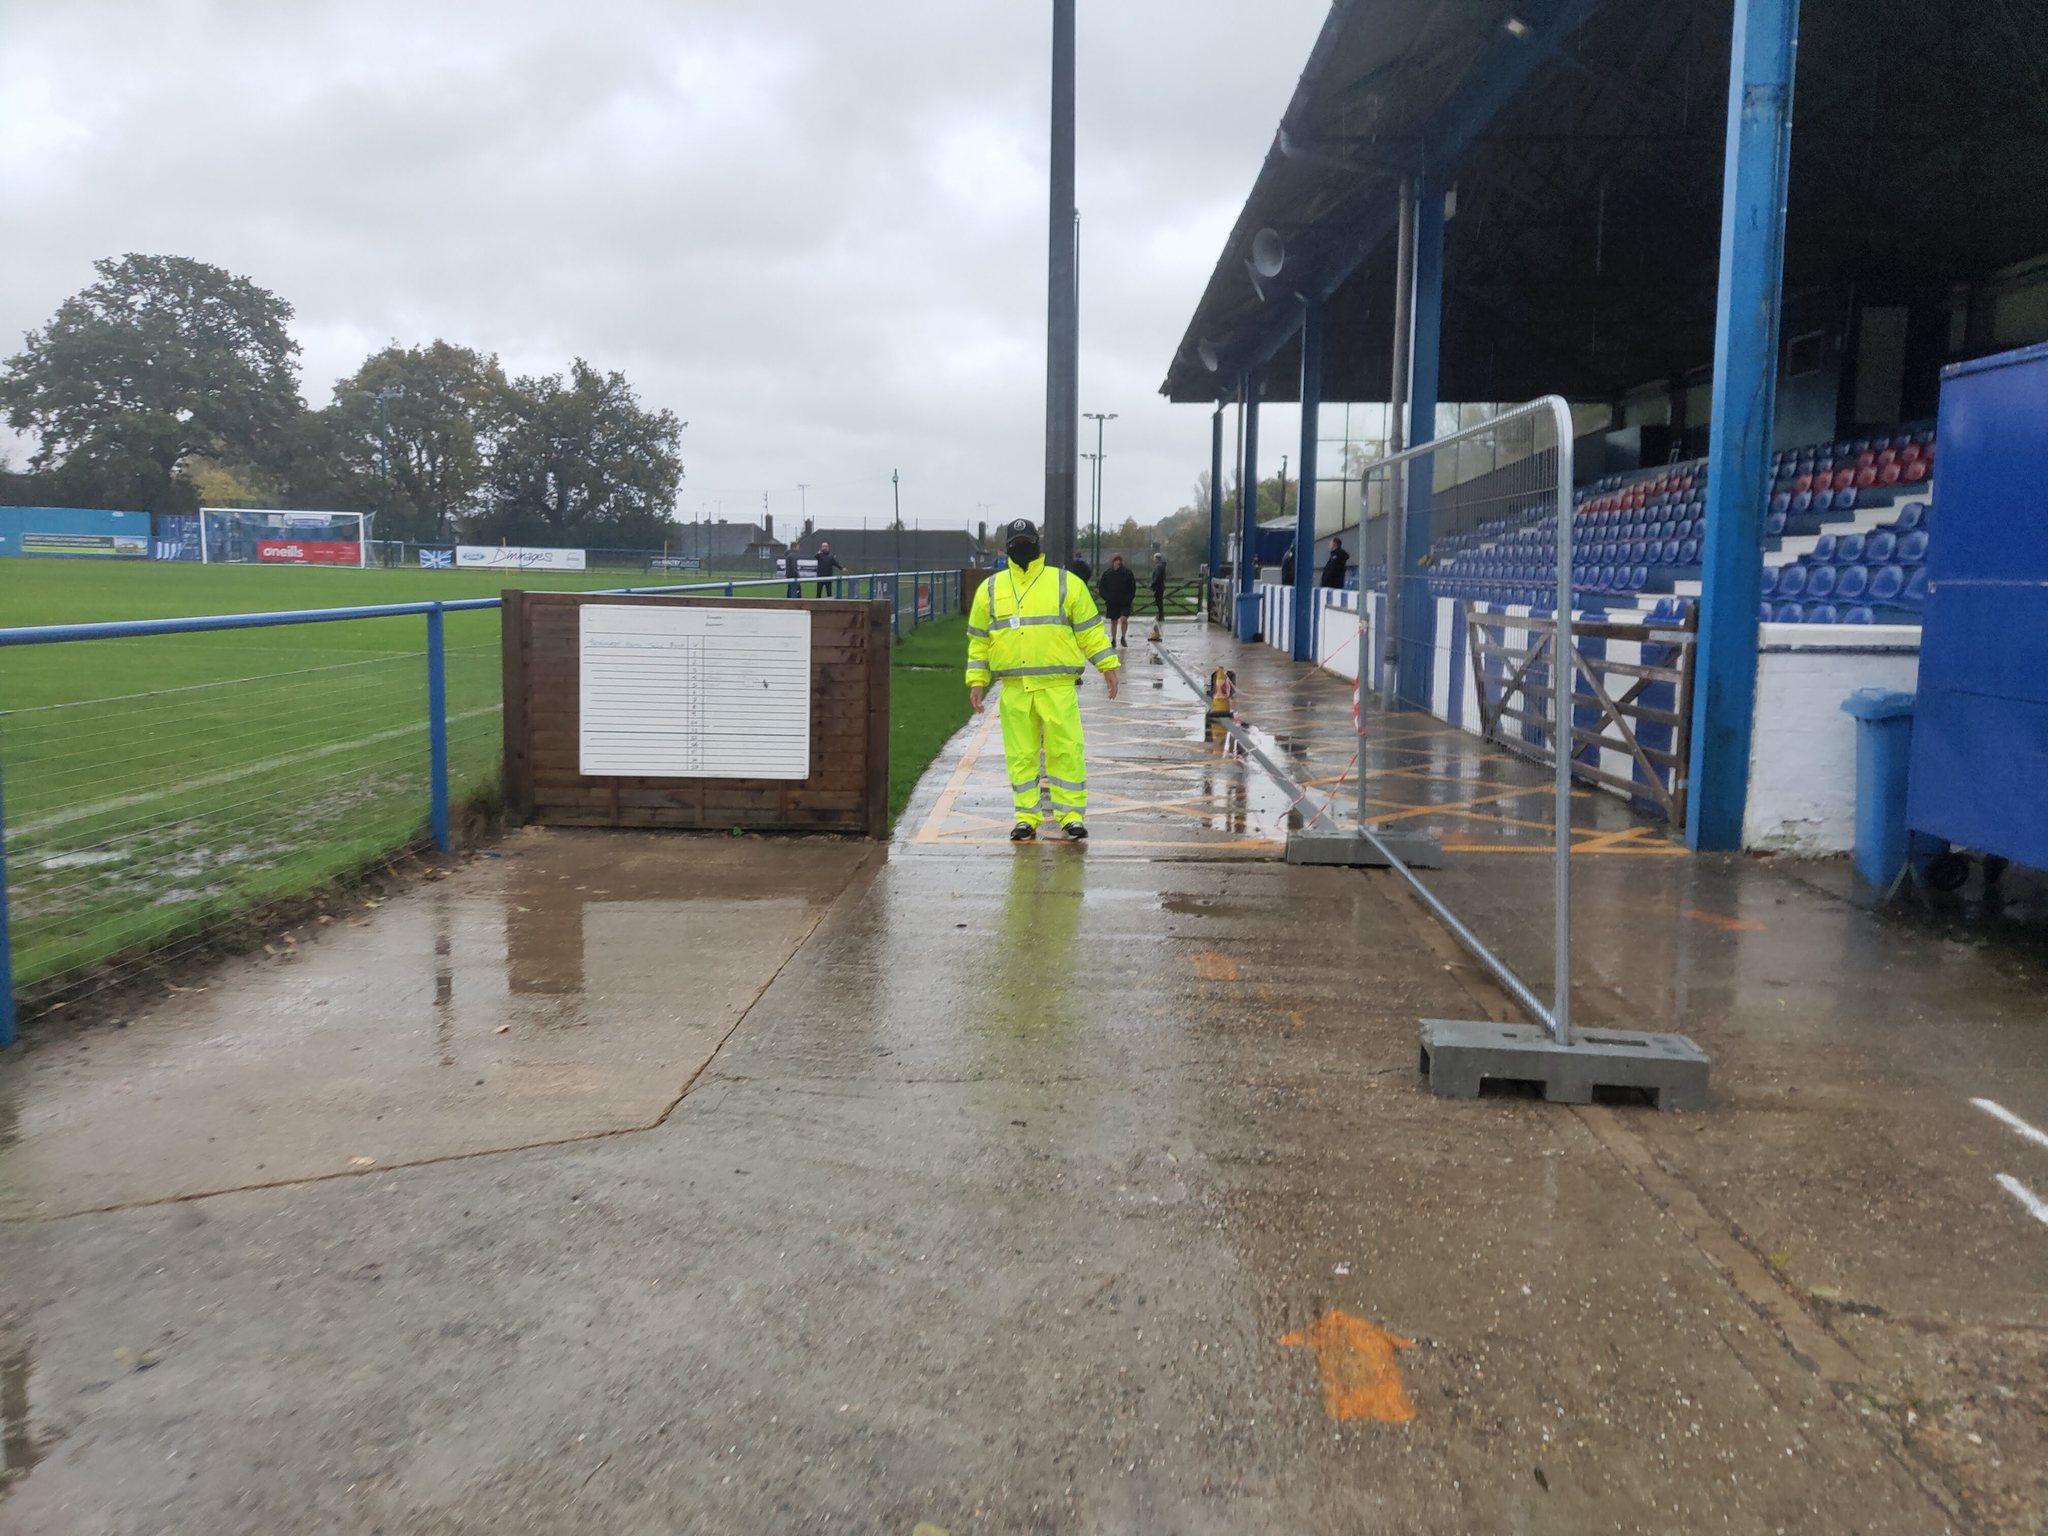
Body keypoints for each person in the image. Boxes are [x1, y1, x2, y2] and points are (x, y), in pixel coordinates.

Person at [966, 519, 1121, 842]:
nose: (1022, 547)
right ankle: (1026, 817)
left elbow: (1090, 631)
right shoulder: (991, 589)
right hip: (1014, 690)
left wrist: (1107, 665)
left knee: (1066, 751)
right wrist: (977, 681)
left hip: (1057, 686)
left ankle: (1071, 816)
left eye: (1027, 541)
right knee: (1021, 756)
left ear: (1038, 545)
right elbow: (979, 641)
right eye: (1016, 543)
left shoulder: (1065, 583)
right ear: (1008, 548)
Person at [1098, 553, 1138, 648]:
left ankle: (1123, 637)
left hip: (1125, 601)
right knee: (1114, 621)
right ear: (1113, 562)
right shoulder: (1107, 574)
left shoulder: (1127, 573)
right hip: (1112, 602)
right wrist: (1106, 597)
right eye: (1116, 561)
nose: (1118, 563)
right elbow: (1102, 587)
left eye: (1119, 561)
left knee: (1123, 619)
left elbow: (1133, 587)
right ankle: (1114, 639)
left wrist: (1129, 598)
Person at [1150, 551, 1168, 622]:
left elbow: (1157, 577)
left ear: (1156, 558)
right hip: (1160, 586)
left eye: (1154, 558)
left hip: (1158, 587)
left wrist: (1153, 584)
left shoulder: (1158, 566)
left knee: (1159, 602)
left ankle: (1161, 616)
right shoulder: (1162, 566)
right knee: (1159, 601)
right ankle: (1160, 615)